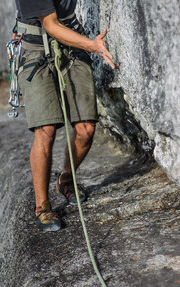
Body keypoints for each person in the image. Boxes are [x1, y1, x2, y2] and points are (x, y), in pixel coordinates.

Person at [14, 0, 118, 231]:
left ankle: (67, 178)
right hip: (35, 51)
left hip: (72, 44)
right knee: (46, 131)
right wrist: (93, 46)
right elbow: (50, 25)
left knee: (86, 129)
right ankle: (42, 205)